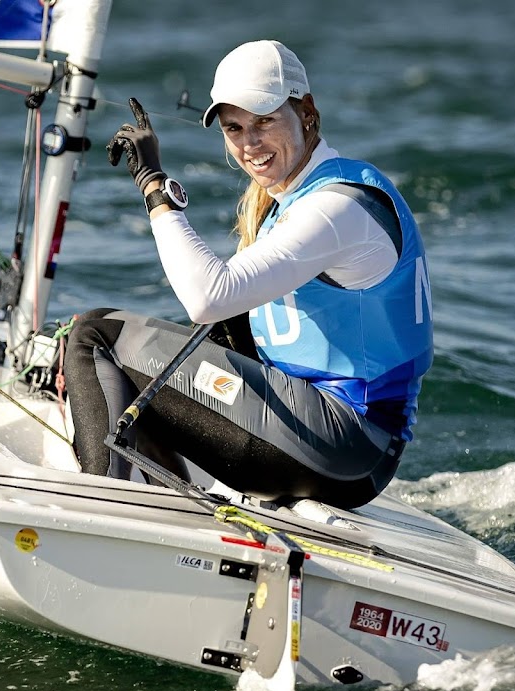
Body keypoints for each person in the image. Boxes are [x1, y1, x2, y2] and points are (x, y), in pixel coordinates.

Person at [62, 40, 433, 509]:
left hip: (345, 445)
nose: (249, 144)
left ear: (307, 112)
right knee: (171, 351)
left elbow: (206, 295)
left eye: (264, 122)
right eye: (234, 128)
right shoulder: (310, 197)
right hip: (350, 450)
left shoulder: (338, 207)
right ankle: (175, 508)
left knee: (95, 335)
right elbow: (220, 314)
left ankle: (98, 514)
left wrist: (154, 186)